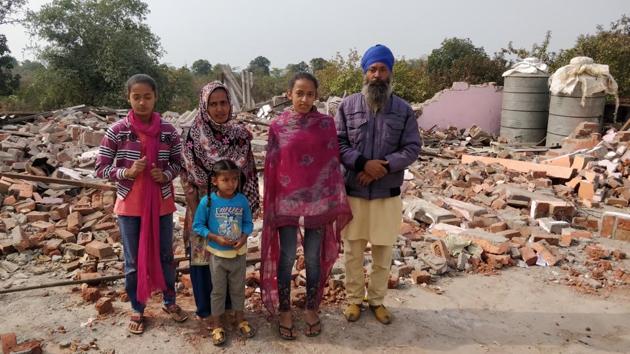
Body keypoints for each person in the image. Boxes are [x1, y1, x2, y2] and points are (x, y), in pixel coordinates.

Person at [261, 72, 352, 339]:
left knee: (313, 257)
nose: (304, 98)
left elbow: (332, 164)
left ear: (316, 96)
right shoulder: (278, 126)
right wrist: (272, 203)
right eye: (299, 93)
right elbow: (272, 167)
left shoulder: (326, 124)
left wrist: (331, 199)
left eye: (310, 94)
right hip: (287, 201)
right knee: (287, 256)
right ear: (288, 94)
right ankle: (285, 309)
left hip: (318, 202)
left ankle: (312, 307)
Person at [335, 44, 421, 325]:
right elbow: (338, 143)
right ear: (364, 73)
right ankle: (353, 300)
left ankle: (378, 301)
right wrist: (361, 163)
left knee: (383, 252)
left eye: (382, 69)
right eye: (372, 69)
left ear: (390, 73)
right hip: (355, 192)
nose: (377, 74)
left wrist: (380, 167)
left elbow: (411, 147)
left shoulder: (403, 110)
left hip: (387, 192)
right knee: (353, 252)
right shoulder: (347, 107)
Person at [96, 74, 188, 335]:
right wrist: (126, 173)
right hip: (129, 206)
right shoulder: (117, 131)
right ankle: (138, 307)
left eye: (147, 96)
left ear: (155, 97)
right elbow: (100, 168)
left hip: (161, 204)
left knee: (166, 256)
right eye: (136, 97)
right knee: (134, 260)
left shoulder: (169, 131)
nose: (142, 102)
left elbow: (179, 164)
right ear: (129, 98)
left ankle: (169, 301)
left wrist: (166, 175)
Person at [180, 81, 260, 324]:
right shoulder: (193, 136)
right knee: (204, 261)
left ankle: (230, 308)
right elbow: (187, 176)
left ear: (230, 104)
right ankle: (208, 311)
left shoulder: (240, 137)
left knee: (231, 261)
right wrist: (197, 208)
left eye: (223, 102)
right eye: (213, 104)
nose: (219, 109)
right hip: (201, 209)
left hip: (232, 212)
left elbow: (247, 173)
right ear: (204, 106)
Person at [193, 159, 255, 346]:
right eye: (225, 180)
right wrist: (214, 237)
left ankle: (240, 318)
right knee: (218, 291)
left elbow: (248, 223)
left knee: (238, 289)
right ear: (215, 181)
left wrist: (244, 237)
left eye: (234, 179)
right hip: (218, 256)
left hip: (238, 255)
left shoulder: (241, 200)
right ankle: (217, 323)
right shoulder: (207, 202)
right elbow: (198, 225)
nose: (231, 184)